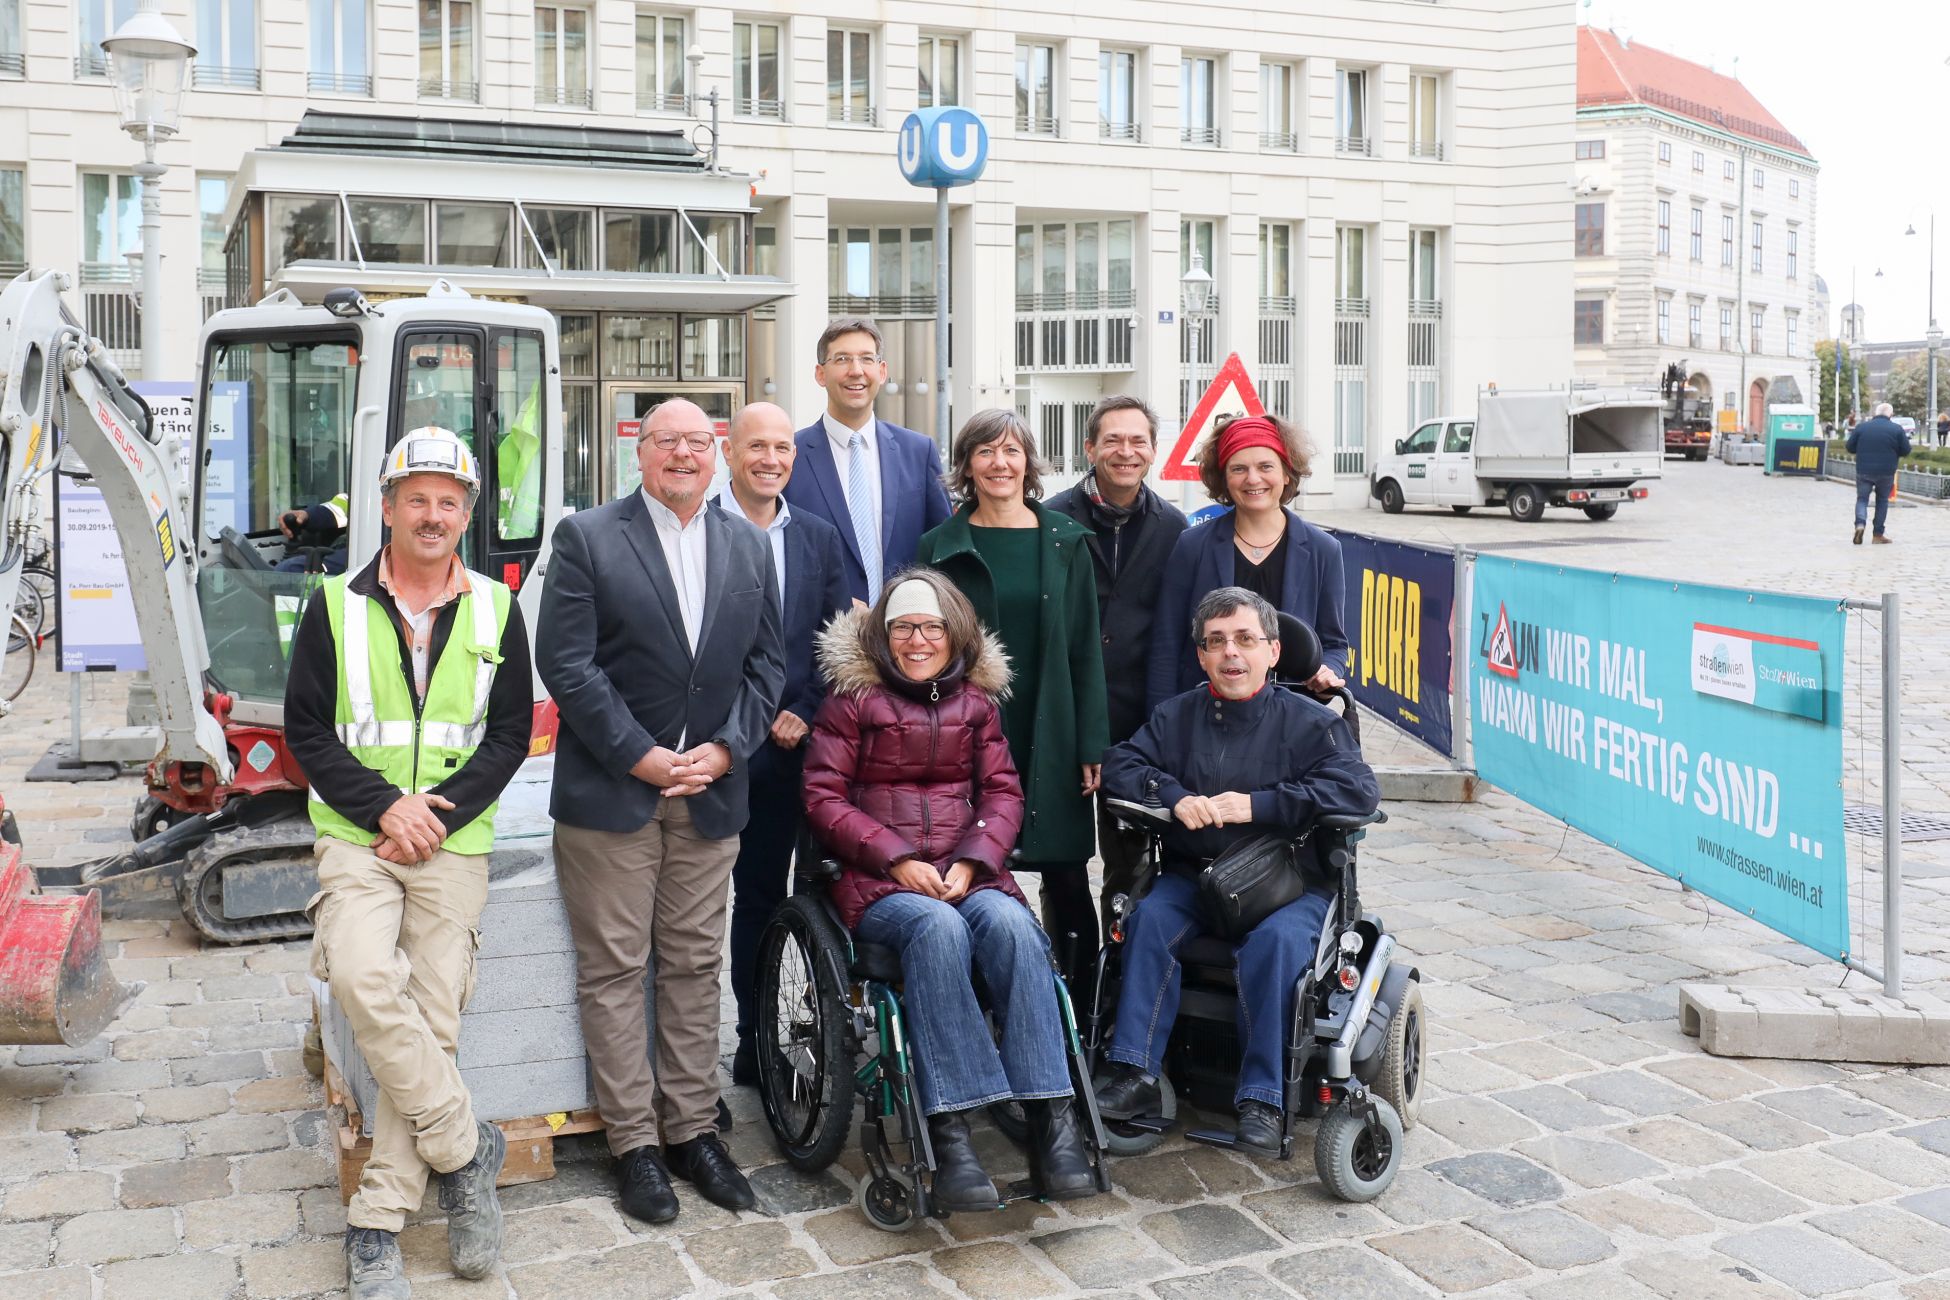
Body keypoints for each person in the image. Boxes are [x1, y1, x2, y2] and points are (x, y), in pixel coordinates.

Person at [284, 428, 533, 1300]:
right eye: (416, 498)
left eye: (449, 501)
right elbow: (306, 731)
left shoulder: (499, 610)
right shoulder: (334, 607)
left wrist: (433, 818)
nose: (433, 515)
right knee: (356, 971)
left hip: (452, 840)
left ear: (467, 515)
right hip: (358, 835)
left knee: (434, 1010)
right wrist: (384, 808)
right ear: (386, 508)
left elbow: (508, 736)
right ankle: (466, 1150)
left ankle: (377, 1220)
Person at [536, 398, 785, 1225]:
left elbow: (766, 667)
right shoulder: (588, 537)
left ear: (716, 457)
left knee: (691, 966)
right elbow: (566, 665)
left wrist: (724, 751)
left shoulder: (748, 544)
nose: (682, 455)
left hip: (710, 792)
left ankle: (692, 1129)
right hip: (615, 793)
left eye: (696, 443)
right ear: (638, 454)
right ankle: (635, 1145)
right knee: (614, 972)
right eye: (665, 441)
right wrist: (639, 754)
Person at [801, 570, 1096, 1208]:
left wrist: (974, 860)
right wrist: (896, 857)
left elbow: (1003, 794)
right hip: (880, 883)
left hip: (967, 873)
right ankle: (953, 1132)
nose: (917, 640)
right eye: (903, 626)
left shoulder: (978, 705)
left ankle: (1052, 1123)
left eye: (931, 627)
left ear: (953, 632)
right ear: (883, 634)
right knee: (937, 929)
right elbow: (822, 798)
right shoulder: (851, 702)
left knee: (1017, 928)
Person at [1094, 587, 1380, 1157]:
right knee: (1147, 919)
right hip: (1197, 876)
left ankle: (1263, 1100)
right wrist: (1173, 796)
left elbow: (1358, 788)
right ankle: (1134, 1073)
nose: (1232, 653)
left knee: (1273, 946)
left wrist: (1260, 805)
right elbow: (1124, 763)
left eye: (1246, 640)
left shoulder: (1312, 723)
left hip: (1289, 883)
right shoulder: (1176, 716)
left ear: (1273, 651)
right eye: (1217, 642)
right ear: (1201, 656)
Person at [916, 410, 1109, 993]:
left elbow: (1084, 648)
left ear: (1029, 462)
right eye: (985, 452)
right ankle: (987, 1003)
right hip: (966, 733)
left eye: (1011, 451)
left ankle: (1078, 1013)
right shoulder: (941, 547)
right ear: (966, 466)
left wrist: (1090, 742)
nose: (999, 464)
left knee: (1067, 876)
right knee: (972, 870)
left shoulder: (1065, 541)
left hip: (1050, 728)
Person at [715, 402, 851, 1087]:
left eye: (782, 449)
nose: (772, 459)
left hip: (806, 749)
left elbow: (842, 642)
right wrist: (754, 713)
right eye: (757, 447)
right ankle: (753, 1039)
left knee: (819, 897)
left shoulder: (820, 538)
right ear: (730, 453)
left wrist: (805, 707)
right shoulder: (702, 529)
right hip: (727, 751)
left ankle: (814, 1028)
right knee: (756, 898)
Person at [1045, 396, 1189, 932]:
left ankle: (1119, 983)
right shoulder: (1052, 520)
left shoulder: (1175, 529)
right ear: (1090, 447)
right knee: (1059, 862)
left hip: (1135, 728)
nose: (1125, 452)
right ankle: (1071, 975)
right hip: (1062, 721)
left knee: (1130, 867)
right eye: (1113, 440)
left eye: (1138, 441)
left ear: (1153, 451)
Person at [1146, 413, 1349, 711]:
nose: (1253, 479)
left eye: (1265, 466)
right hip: (1204, 713)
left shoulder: (1323, 550)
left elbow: (1334, 644)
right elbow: (1165, 644)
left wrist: (1327, 672)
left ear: (1286, 474)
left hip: (1290, 719)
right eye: (1238, 468)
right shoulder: (1192, 546)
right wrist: (1160, 722)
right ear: (1224, 479)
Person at [783, 317, 953, 605]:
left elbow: (943, 546)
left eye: (866, 359)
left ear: (882, 371)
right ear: (820, 374)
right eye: (842, 359)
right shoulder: (790, 455)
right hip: (820, 637)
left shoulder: (918, 451)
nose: (856, 371)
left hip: (906, 637)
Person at [1847, 401, 1911, 545]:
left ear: (1875, 413)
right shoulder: (1896, 429)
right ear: (1891, 415)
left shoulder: (1862, 427)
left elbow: (1850, 447)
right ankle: (1877, 535)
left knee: (1862, 499)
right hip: (1886, 472)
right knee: (1882, 501)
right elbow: (1906, 450)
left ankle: (1860, 524)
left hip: (1864, 470)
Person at [275, 491, 349, 574]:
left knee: (290, 569)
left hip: (363, 558)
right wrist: (307, 515)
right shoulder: (360, 490)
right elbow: (338, 509)